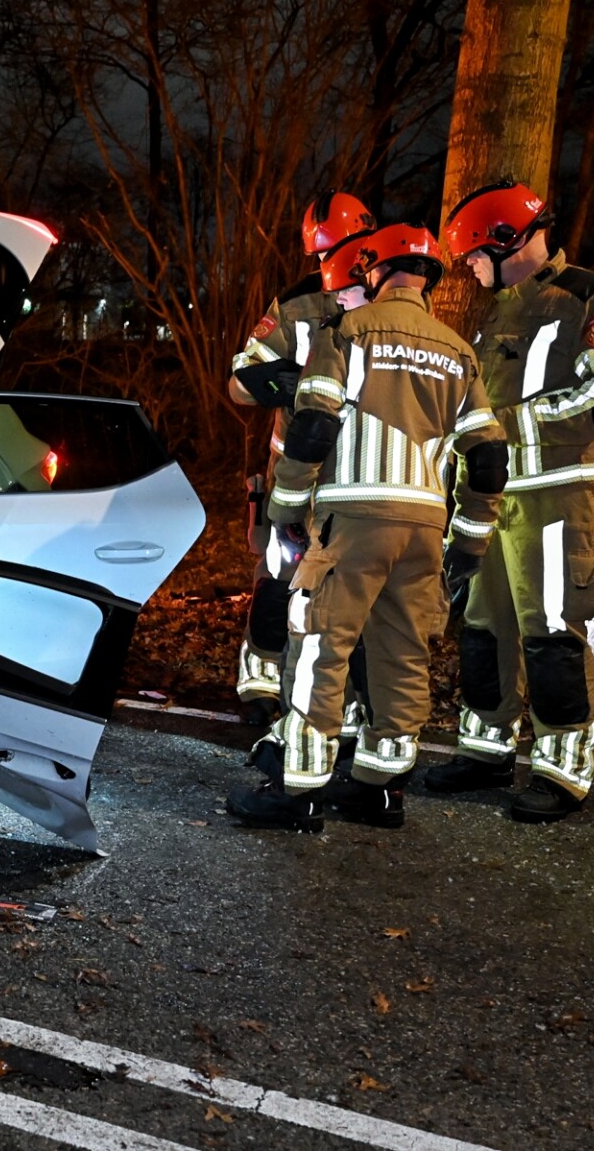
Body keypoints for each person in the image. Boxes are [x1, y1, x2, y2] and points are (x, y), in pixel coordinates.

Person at [228, 225, 507, 831]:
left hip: (353, 520)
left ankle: (297, 790)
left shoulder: (347, 332)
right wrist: (469, 540)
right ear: (428, 278)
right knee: (402, 655)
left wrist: (285, 512)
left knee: (319, 646)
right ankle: (381, 790)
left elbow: (312, 427)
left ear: (374, 270)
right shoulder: (459, 352)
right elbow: (488, 457)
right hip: (425, 529)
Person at [425, 179, 594, 822]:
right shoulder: (499, 310)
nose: (469, 266)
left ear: (505, 239)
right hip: (495, 503)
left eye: (474, 254)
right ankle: (486, 750)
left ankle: (562, 768)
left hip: (561, 502)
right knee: (483, 629)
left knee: (554, 634)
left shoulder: (589, 295)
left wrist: (505, 429)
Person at [228, 192, 376, 739]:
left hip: (361, 471)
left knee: (354, 587)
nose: (332, 266)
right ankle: (261, 681)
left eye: (340, 251)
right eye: (323, 256)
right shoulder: (296, 304)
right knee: (279, 574)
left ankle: (347, 700)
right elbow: (241, 379)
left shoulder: (392, 300)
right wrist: (284, 383)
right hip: (296, 469)